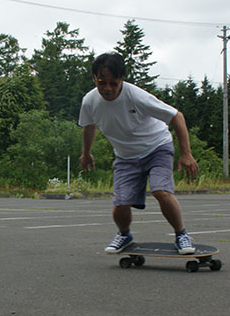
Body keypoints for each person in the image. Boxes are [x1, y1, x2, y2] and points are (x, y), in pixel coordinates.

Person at [78, 52, 199, 255]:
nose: (107, 89)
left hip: (157, 147)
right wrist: (86, 153)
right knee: (121, 203)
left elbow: (177, 116)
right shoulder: (89, 101)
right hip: (125, 156)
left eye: (113, 83)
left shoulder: (136, 96)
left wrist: (186, 154)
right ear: (94, 78)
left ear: (122, 80)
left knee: (161, 191)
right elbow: (89, 126)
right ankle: (124, 235)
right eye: (101, 82)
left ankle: (181, 234)